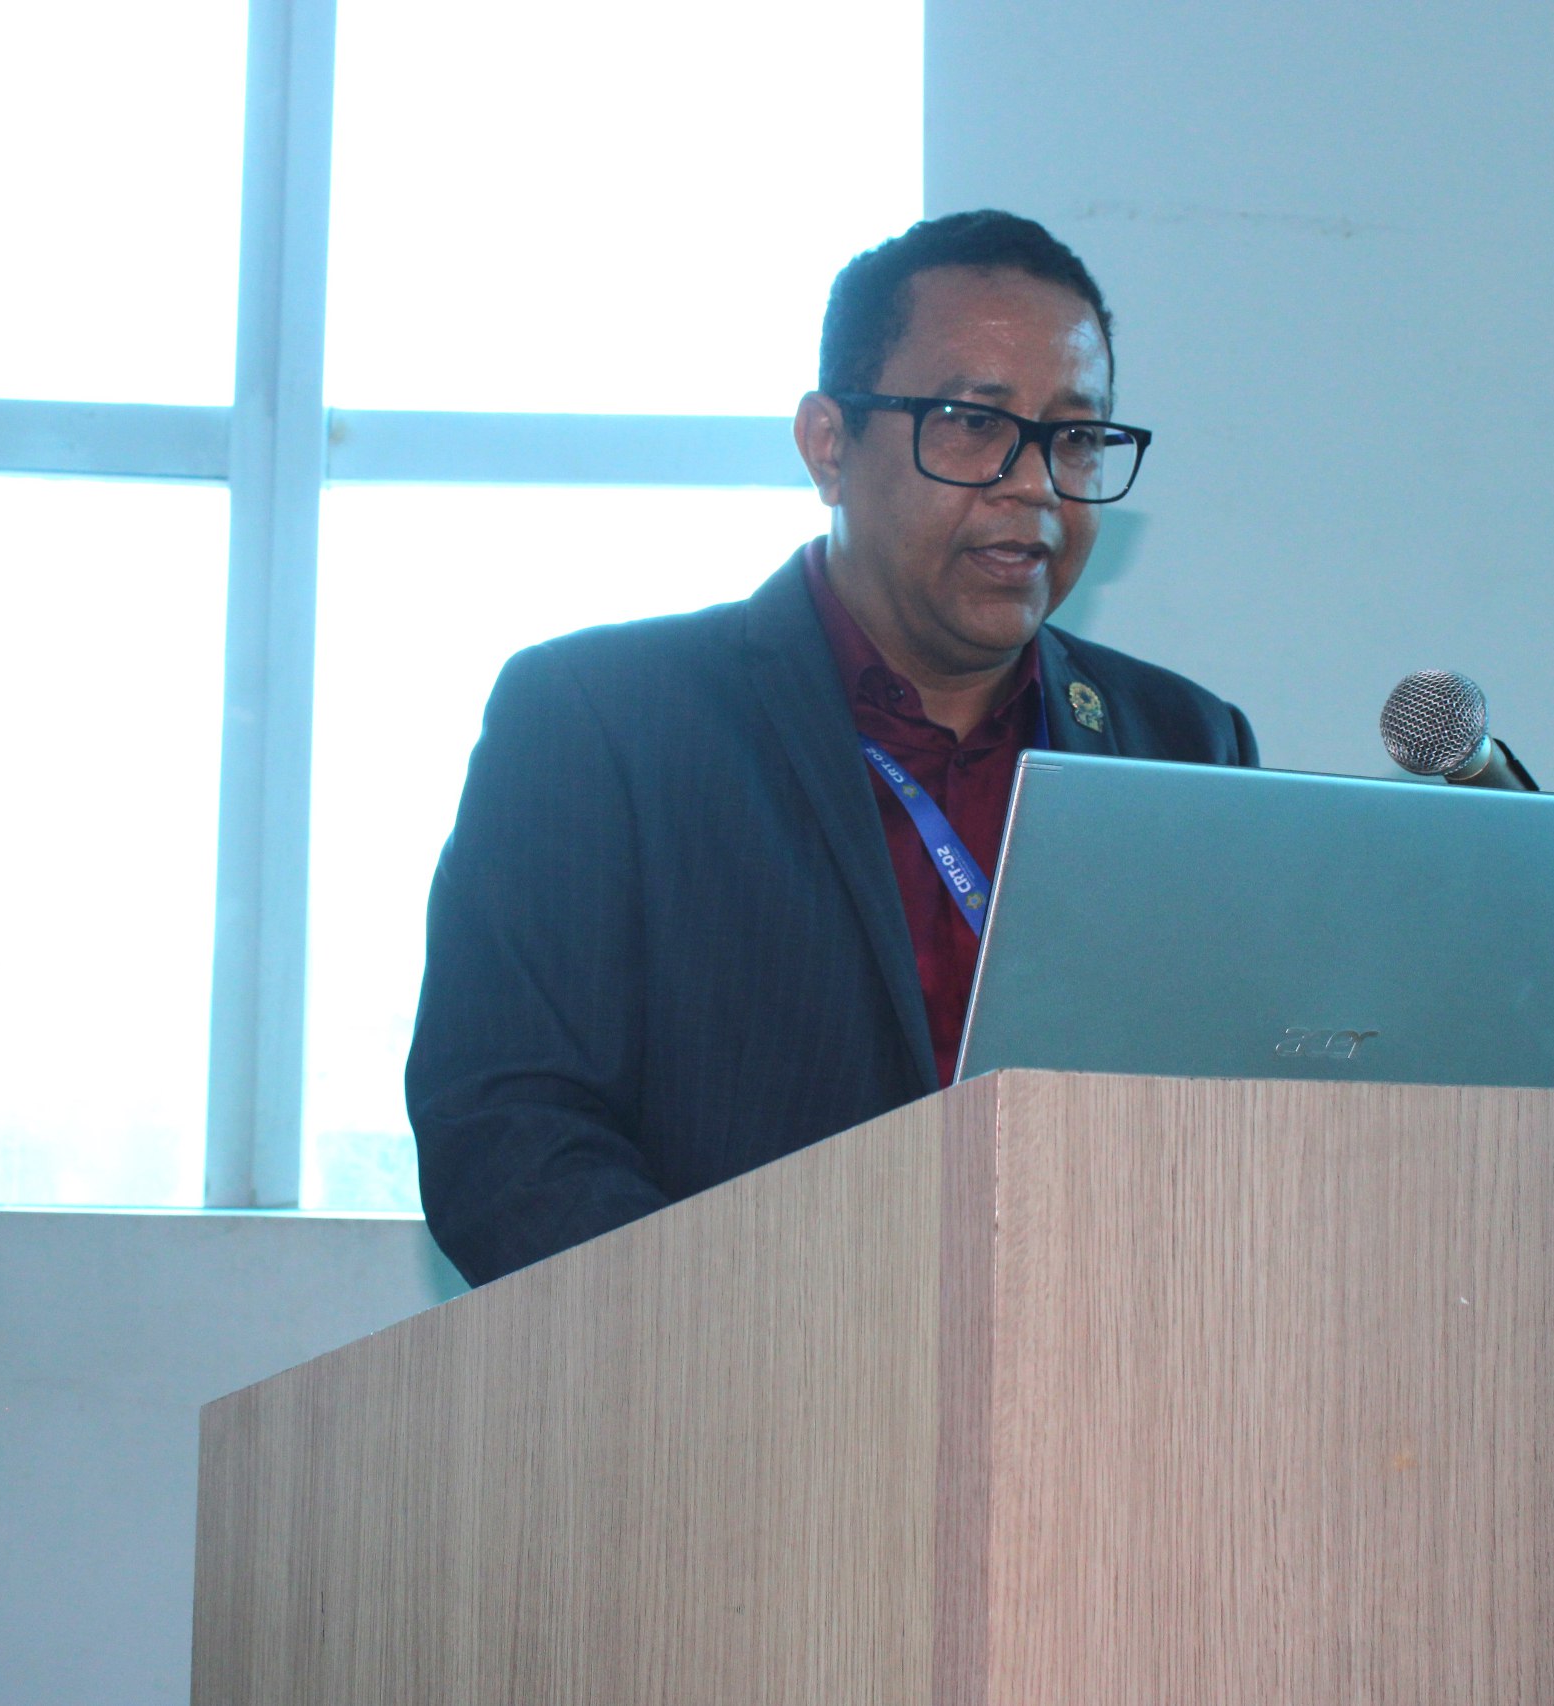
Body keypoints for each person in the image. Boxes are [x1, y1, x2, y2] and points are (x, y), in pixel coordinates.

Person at [407, 210, 1257, 1286]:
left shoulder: (1183, 745)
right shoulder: (603, 721)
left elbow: (1240, 1116)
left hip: (1099, 1365)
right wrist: (771, 1339)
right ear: (828, 444)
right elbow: (504, 1126)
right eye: (972, 422)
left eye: (1075, 437)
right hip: (734, 1368)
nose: (1035, 483)